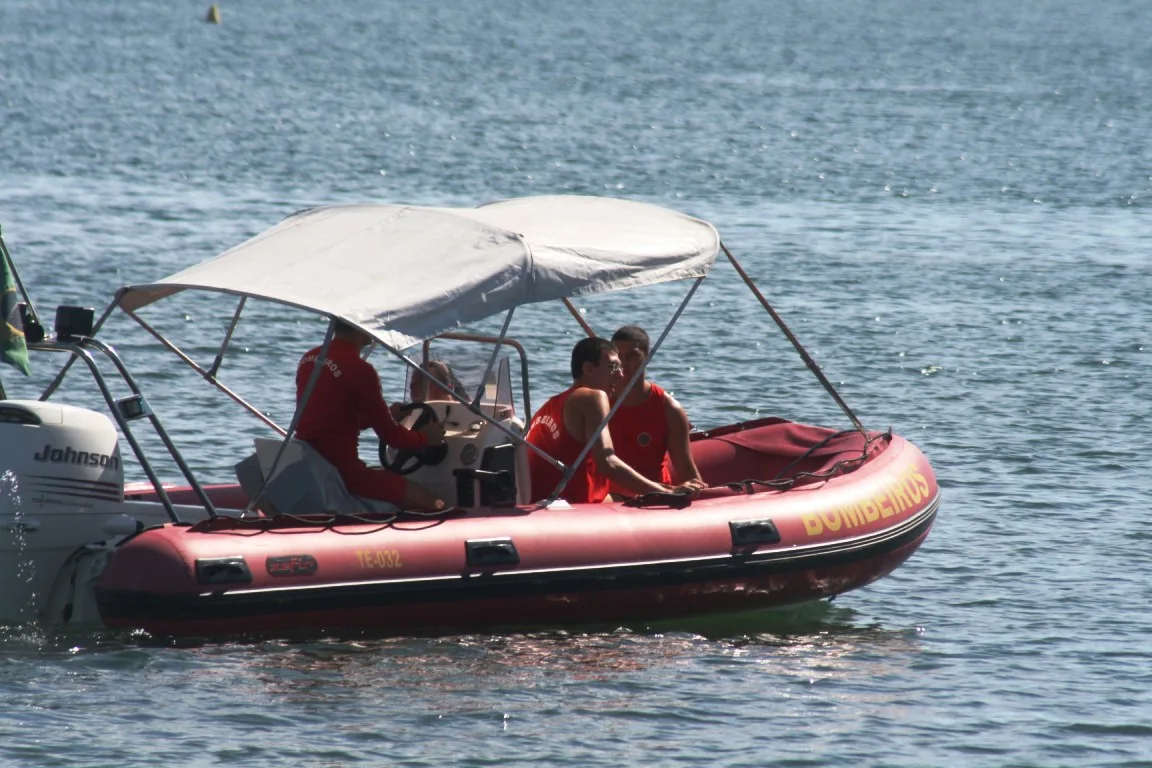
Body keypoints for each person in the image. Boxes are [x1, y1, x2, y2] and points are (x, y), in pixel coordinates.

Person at [295, 319, 447, 510]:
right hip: (346, 474)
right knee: (433, 503)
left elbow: (329, 418)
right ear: (360, 326)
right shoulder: (361, 371)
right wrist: (425, 437)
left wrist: (385, 415)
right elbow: (392, 437)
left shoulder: (309, 358)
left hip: (308, 462)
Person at [525, 336, 690, 504]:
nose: (621, 374)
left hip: (541, 503)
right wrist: (663, 492)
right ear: (588, 368)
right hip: (568, 510)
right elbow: (607, 462)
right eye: (613, 367)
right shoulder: (593, 397)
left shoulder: (549, 406)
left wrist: (657, 488)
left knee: (622, 498)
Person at [608, 325, 705, 497]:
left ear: (647, 357)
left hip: (654, 496)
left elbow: (685, 469)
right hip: (606, 499)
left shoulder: (669, 409)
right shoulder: (597, 402)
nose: (623, 363)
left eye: (632, 356)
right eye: (618, 356)